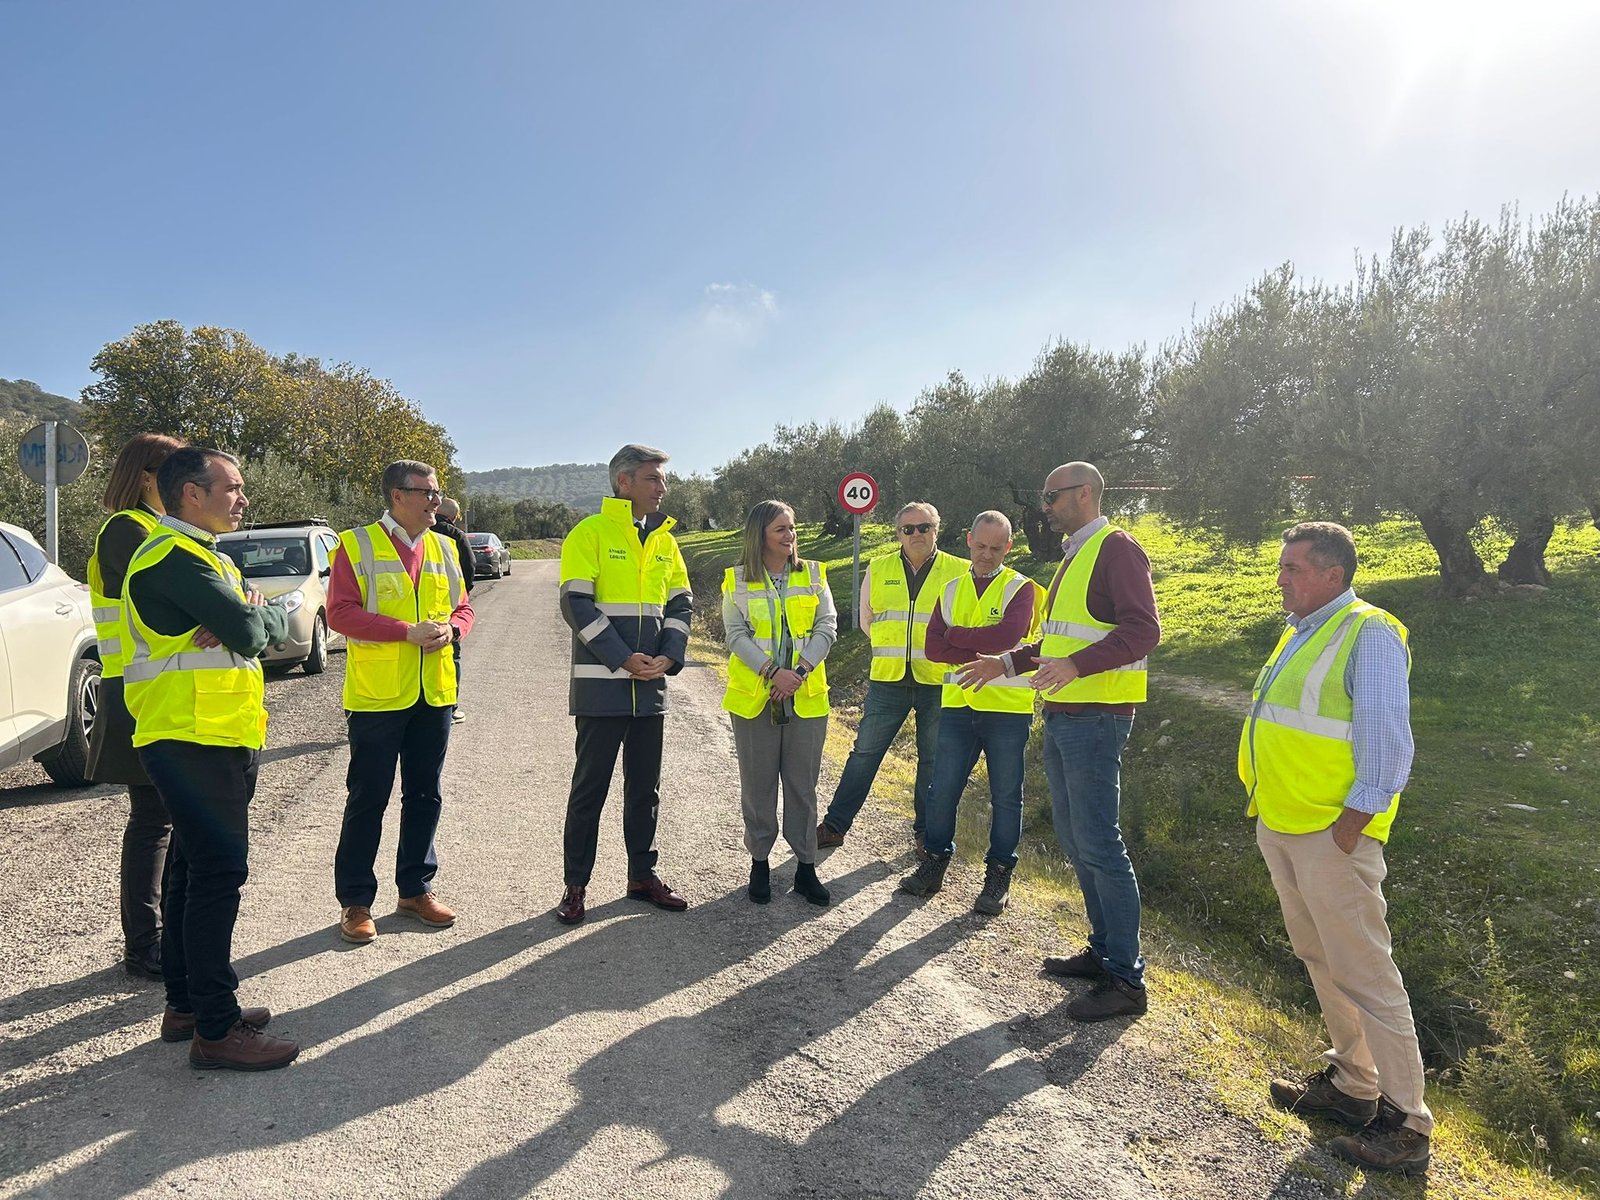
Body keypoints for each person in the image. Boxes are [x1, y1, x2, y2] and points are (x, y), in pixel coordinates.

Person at [1245, 522, 1433, 1175]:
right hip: (1286, 823)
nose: (1281, 578)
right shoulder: (1303, 628)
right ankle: (1355, 1086)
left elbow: (1388, 749)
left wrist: (1349, 829)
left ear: (1332, 573)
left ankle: (1407, 1123)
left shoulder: (1369, 632)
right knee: (1322, 957)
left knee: (1367, 972)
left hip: (1332, 834)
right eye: (1283, 566)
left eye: (1293, 567)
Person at [957, 462, 1160, 1022]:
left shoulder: (1117, 549)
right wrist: (1004, 662)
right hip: (1068, 715)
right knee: (1077, 836)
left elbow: (1145, 630)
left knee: (1099, 841)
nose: (1044, 504)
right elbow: (1056, 640)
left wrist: (1075, 665)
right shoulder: (1076, 554)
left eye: (1053, 495)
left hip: (1098, 716)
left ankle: (1126, 979)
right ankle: (1104, 953)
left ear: (1086, 493)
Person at [123, 446, 297, 1070]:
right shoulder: (173, 558)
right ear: (191, 494)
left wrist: (250, 612)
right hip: (191, 735)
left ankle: (188, 1005)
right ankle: (217, 1031)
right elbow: (253, 634)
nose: (243, 498)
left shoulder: (204, 556)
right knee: (218, 874)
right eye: (232, 487)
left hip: (212, 732)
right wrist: (259, 614)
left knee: (192, 872)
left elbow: (247, 624)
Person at [328, 461, 472, 946]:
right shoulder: (356, 544)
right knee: (368, 797)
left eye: (437, 493)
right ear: (396, 495)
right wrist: (405, 632)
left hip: (435, 692)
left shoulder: (445, 546)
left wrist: (452, 629)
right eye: (426, 493)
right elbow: (340, 614)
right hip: (377, 696)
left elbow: (463, 607)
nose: (436, 501)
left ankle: (414, 889)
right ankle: (355, 902)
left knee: (425, 794)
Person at [555, 444, 693, 925]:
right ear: (624, 482)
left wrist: (668, 656)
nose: (662, 487)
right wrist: (621, 658)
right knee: (588, 790)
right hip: (602, 688)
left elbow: (681, 604)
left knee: (645, 791)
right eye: (654, 478)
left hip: (650, 689)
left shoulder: (666, 541)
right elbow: (576, 605)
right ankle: (575, 886)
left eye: (663, 479)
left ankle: (641, 876)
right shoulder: (588, 533)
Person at [899, 511, 1042, 914]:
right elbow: (932, 649)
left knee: (1006, 797)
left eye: (996, 548)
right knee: (941, 791)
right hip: (959, 705)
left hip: (1007, 709)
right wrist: (972, 645)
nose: (987, 555)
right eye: (980, 546)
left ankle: (998, 877)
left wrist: (955, 635)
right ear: (967, 539)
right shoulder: (950, 588)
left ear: (1009, 547)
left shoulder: (1021, 588)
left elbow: (1007, 637)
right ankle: (934, 864)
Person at [85, 432, 184, 981]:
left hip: (148, 687)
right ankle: (144, 945)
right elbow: (161, 602)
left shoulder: (152, 528)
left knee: (161, 819)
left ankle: (157, 938)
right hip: (134, 692)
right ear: (148, 475)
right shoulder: (128, 529)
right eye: (176, 467)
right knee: (153, 821)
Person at [817, 501, 967, 853]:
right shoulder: (879, 566)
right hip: (888, 680)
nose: (916, 534)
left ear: (937, 529)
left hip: (937, 682)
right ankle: (835, 825)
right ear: (898, 532)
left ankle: (926, 835)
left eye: (924, 527)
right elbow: (867, 620)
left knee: (932, 760)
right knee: (865, 753)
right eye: (908, 528)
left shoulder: (960, 571)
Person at [722, 501, 838, 906]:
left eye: (792, 528)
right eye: (780, 530)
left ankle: (806, 867)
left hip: (805, 697)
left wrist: (799, 673)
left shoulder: (813, 574)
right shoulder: (735, 580)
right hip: (756, 699)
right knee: (758, 786)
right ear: (760, 535)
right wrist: (774, 673)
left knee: (802, 787)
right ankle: (759, 863)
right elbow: (736, 636)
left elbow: (828, 626)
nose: (790, 536)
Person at [433, 496, 475, 725]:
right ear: (455, 516)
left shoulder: (413, 528)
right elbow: (469, 567)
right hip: (448, 607)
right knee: (452, 655)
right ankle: (451, 707)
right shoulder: (455, 535)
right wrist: (463, 595)